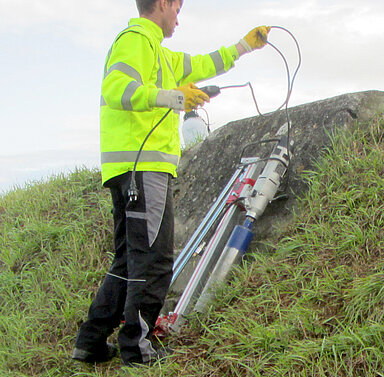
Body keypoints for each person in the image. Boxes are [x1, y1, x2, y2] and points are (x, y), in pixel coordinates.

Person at [71, 0, 270, 366]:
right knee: (154, 260)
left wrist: (245, 45)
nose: (179, 17)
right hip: (142, 167)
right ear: (162, 3)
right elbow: (118, 89)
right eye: (177, 8)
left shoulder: (160, 53)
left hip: (130, 169)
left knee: (130, 259)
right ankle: (138, 349)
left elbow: (203, 63)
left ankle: (90, 341)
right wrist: (174, 97)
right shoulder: (135, 40)